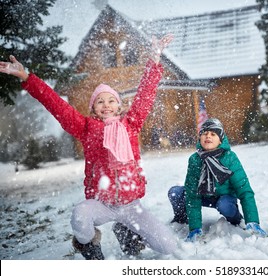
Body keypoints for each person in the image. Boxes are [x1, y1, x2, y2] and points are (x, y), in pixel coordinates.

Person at [0, 34, 177, 259]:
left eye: (111, 100)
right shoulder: (86, 128)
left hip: (132, 205)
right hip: (102, 204)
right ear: (93, 108)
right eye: (100, 101)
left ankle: (126, 230)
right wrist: (27, 77)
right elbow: (56, 104)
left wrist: (155, 58)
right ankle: (88, 245)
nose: (106, 105)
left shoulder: (131, 124)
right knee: (80, 217)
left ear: (119, 106)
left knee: (168, 247)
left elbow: (145, 94)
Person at [168, 118, 267, 242]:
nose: (208, 136)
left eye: (213, 134)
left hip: (224, 197)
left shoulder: (230, 158)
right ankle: (182, 219)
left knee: (224, 205)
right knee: (176, 192)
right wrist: (195, 228)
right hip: (204, 195)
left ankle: (236, 219)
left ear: (220, 139)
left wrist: (253, 220)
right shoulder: (195, 159)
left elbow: (245, 190)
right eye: (205, 133)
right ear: (200, 138)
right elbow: (192, 194)